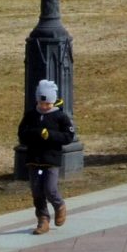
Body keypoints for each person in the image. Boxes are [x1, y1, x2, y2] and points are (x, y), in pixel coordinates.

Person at [18, 79, 74, 234]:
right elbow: (22, 134)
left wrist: (50, 135)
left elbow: (68, 136)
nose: (44, 107)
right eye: (41, 103)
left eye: (48, 104)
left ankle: (59, 205)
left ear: (53, 101)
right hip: (34, 159)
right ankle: (42, 220)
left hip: (51, 159)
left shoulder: (60, 117)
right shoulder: (31, 115)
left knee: (50, 188)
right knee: (36, 191)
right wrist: (36, 134)